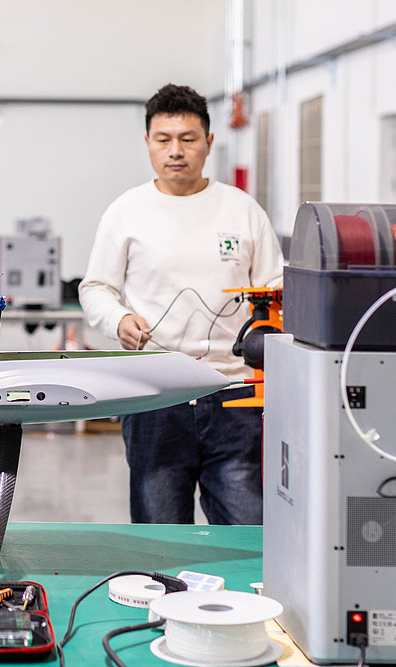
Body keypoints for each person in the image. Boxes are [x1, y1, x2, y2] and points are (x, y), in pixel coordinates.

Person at [78, 84, 284, 525]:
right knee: (160, 535)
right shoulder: (126, 211)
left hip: (234, 395)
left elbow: (276, 288)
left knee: (248, 530)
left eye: (188, 139)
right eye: (163, 139)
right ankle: (164, 597)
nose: (176, 151)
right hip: (156, 394)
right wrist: (120, 320)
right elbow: (95, 288)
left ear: (209, 143)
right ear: (148, 143)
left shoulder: (243, 210)